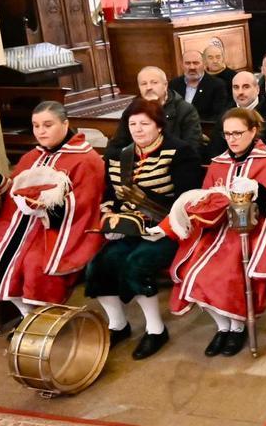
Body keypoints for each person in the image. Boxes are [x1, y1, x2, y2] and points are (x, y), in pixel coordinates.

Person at [166, 108, 266, 357]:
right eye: (227, 134)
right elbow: (205, 199)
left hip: (255, 231)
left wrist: (259, 190)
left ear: (253, 131)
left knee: (225, 273)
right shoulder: (219, 163)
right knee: (189, 270)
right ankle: (222, 326)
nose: (232, 139)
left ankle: (237, 327)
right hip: (218, 230)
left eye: (238, 133)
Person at [86, 98, 203, 359]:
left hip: (170, 229)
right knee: (98, 265)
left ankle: (155, 329)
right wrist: (109, 216)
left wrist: (155, 215)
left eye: (144, 124)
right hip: (129, 228)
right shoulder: (119, 154)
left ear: (159, 126)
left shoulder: (180, 152)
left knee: (136, 264)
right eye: (133, 124)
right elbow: (110, 194)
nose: (138, 129)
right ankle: (118, 325)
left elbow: (187, 199)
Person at [0, 101, 105, 317]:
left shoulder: (86, 159)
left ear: (65, 124)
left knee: (34, 262)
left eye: (48, 125)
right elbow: (14, 191)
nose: (41, 131)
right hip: (23, 225)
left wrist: (44, 209)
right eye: (36, 126)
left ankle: (39, 314)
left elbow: (85, 204)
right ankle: (27, 315)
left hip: (59, 228)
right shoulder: (32, 157)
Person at [107, 66, 203, 156]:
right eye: (144, 84)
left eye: (154, 82)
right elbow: (116, 146)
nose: (149, 87)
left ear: (165, 85)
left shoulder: (185, 110)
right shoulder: (132, 110)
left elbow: (191, 150)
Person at [225, 71, 266, 154]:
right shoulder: (225, 115)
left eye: (246, 87)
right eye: (236, 87)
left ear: (257, 89)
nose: (240, 92)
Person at [170, 49, 230, 123]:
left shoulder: (217, 85)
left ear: (204, 64)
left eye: (196, 63)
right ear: (182, 65)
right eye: (187, 63)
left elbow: (218, 115)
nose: (192, 67)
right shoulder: (174, 84)